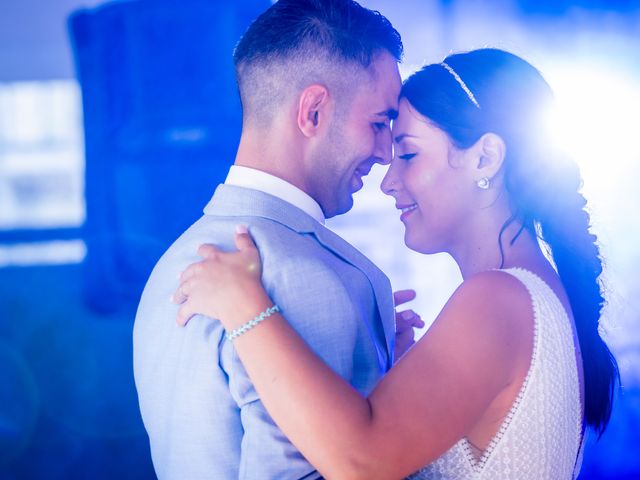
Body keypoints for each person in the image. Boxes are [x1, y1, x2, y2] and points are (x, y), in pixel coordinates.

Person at [173, 48, 620, 479]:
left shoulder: (498, 300)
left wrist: (246, 309)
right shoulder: (530, 293)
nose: (388, 182)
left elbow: (360, 464)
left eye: (407, 154)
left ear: (485, 158)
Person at [132, 0, 412, 478]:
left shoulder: (173, 261)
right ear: (314, 111)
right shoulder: (306, 276)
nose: (386, 153)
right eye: (379, 123)